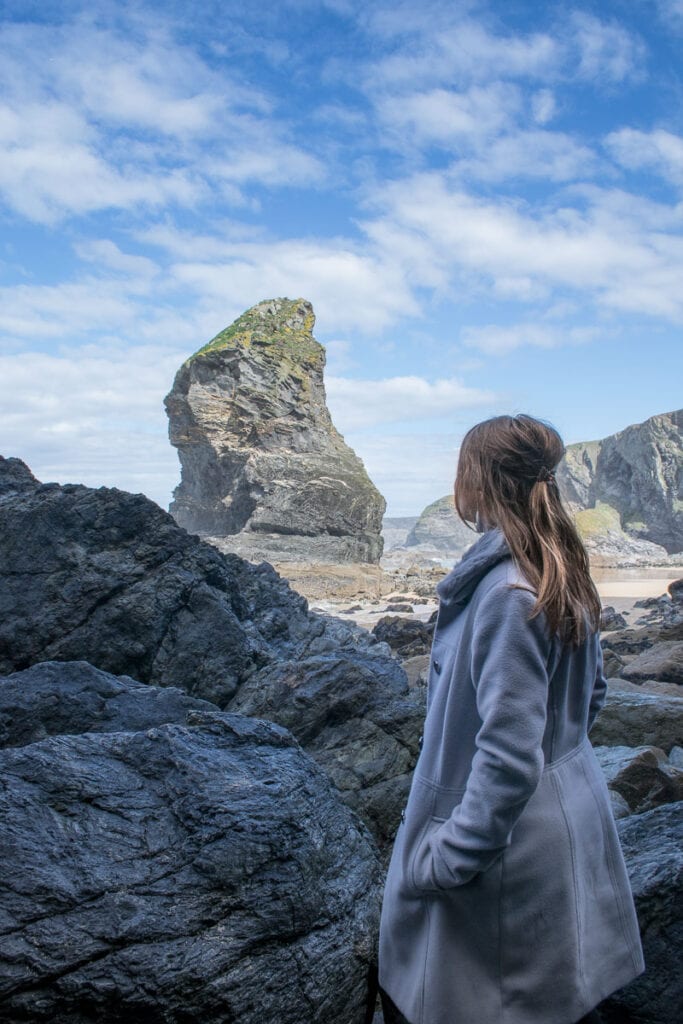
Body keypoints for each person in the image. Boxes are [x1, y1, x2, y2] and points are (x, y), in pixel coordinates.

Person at [378, 414, 644, 1024]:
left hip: (506, 842)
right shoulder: (560, 572)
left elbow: (506, 755)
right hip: (566, 811)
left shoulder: (505, 594)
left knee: (469, 999)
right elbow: (591, 694)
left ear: (478, 479)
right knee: (549, 997)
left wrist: (451, 854)